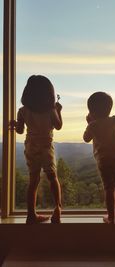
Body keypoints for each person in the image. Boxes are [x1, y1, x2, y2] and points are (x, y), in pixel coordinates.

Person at [11, 75, 62, 224]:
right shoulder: (50, 110)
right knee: (53, 178)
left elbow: (20, 131)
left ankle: (31, 215)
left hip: (31, 146)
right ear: (48, 94)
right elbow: (58, 126)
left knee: (33, 180)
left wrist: (15, 124)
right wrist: (59, 110)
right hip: (46, 146)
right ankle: (58, 209)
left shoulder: (22, 111)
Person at [83, 92, 115, 224]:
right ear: (109, 108)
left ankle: (111, 217)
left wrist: (89, 123)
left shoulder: (93, 125)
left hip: (104, 160)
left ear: (91, 111)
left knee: (108, 188)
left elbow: (86, 138)